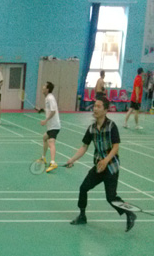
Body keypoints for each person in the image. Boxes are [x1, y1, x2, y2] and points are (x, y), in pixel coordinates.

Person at [65, 96, 136, 232]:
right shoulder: (91, 128)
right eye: (94, 106)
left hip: (111, 167)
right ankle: (82, 216)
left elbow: (116, 147)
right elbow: (84, 146)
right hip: (98, 167)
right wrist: (72, 159)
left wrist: (106, 160)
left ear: (105, 110)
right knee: (83, 188)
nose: (95, 109)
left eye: (98, 106)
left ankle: (129, 213)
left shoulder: (111, 126)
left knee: (111, 198)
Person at [40, 82, 61, 173]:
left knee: (51, 143)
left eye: (44, 86)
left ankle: (53, 162)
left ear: (47, 89)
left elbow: (53, 111)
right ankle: (43, 158)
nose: (42, 87)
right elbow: (49, 110)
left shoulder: (50, 98)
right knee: (44, 138)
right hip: (51, 126)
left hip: (54, 125)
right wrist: (42, 110)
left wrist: (45, 120)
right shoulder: (47, 98)